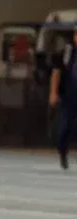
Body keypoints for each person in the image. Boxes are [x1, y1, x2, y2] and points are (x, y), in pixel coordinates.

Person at [50, 32, 76, 170]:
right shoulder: (67, 51)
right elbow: (56, 72)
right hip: (68, 96)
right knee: (65, 127)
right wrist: (53, 93)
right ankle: (63, 152)